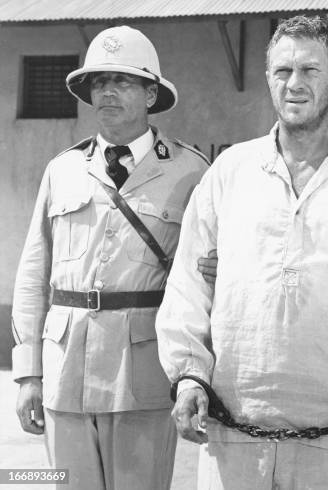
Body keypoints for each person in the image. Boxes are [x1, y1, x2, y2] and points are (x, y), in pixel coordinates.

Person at [155, 16, 328, 490]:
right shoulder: (229, 171)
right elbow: (188, 286)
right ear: (267, 79)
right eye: (282, 71)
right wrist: (189, 375)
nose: (294, 84)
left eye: (310, 71)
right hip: (231, 436)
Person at [12, 26, 209, 490]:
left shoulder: (190, 171)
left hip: (143, 374)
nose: (106, 92)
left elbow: (203, 285)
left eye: (121, 81)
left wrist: (193, 375)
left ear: (150, 94)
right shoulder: (62, 170)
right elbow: (32, 275)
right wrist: (28, 374)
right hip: (65, 373)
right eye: (98, 83)